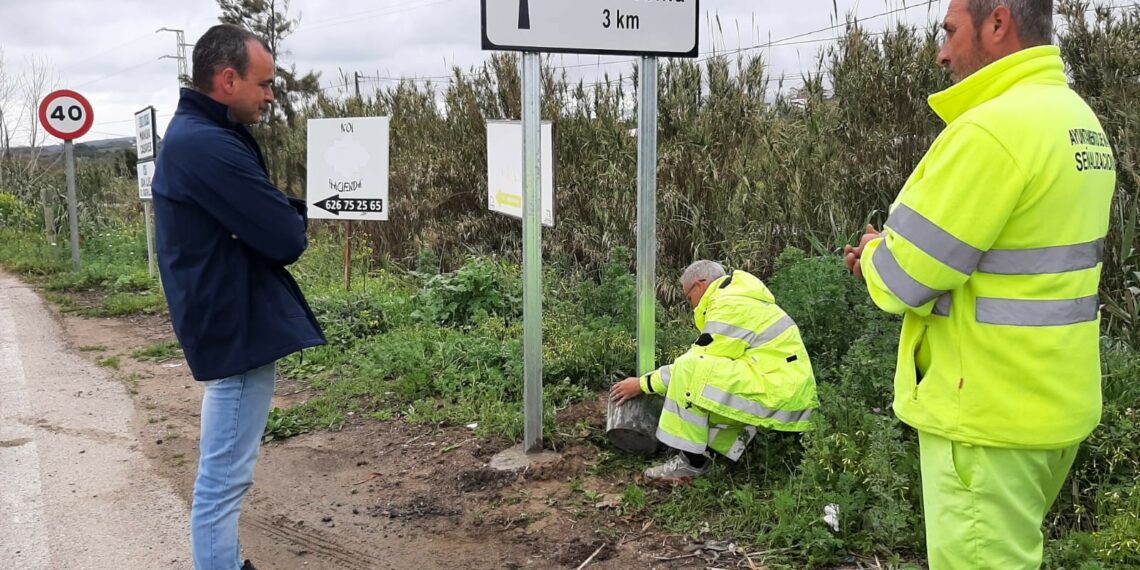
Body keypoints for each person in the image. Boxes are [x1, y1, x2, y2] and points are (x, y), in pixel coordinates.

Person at [843, 1, 1116, 567]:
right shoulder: (1078, 120)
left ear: (997, 23)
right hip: (1053, 404)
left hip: (984, 415)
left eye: (949, 31)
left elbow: (904, 279)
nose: (941, 52)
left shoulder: (992, 130)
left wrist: (872, 254)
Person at [151, 24, 326, 570]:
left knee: (224, 475)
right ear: (228, 79)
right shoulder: (205, 146)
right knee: (223, 481)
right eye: (265, 83)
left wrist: (273, 209)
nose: (271, 95)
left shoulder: (200, 136)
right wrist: (287, 212)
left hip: (229, 322)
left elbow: (265, 222)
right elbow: (284, 237)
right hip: (236, 329)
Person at [609, 261, 818, 481]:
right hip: (783, 389)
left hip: (780, 393)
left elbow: (695, 364)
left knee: (692, 372)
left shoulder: (729, 304)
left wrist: (642, 384)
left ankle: (692, 464)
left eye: (688, 296)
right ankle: (710, 457)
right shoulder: (739, 297)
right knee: (710, 381)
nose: (691, 304)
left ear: (699, 286)